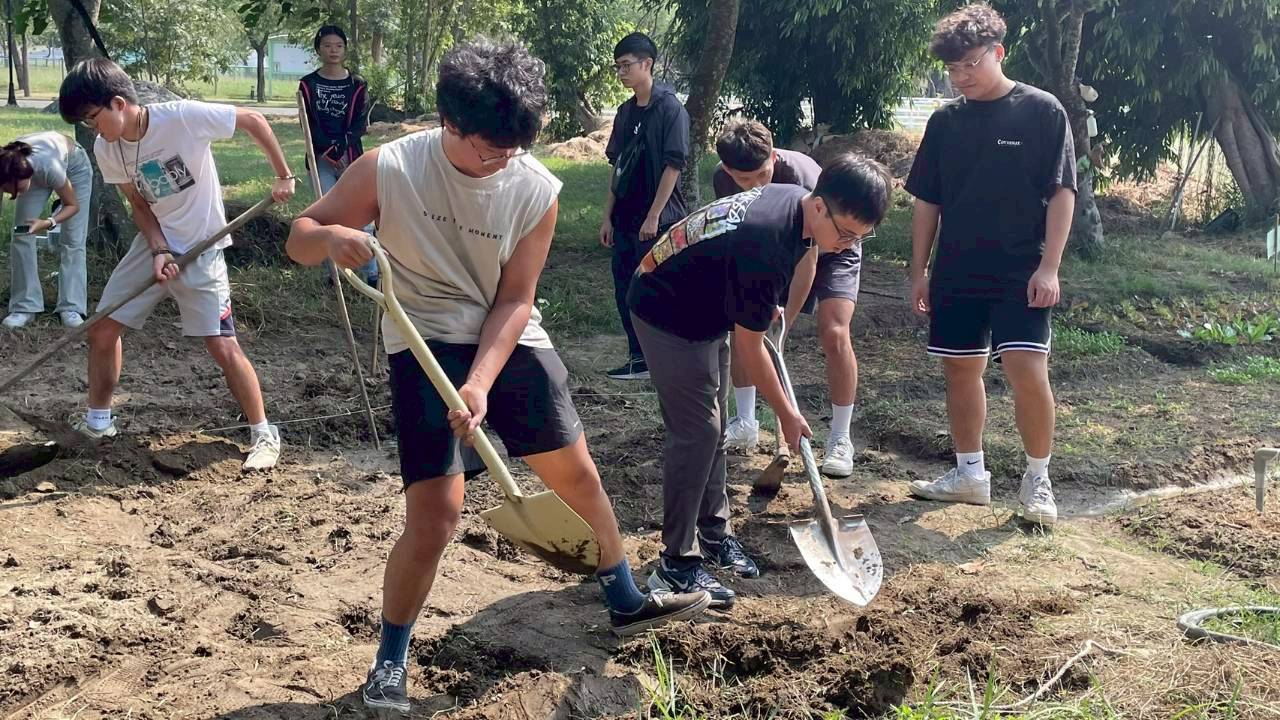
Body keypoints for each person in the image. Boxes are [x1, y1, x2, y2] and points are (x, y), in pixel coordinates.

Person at [285, 37, 711, 715]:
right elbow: (298, 235)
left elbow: (516, 300)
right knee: (437, 514)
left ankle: (624, 595)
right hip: (420, 336)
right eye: (490, 147)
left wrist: (481, 382)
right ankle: (390, 662)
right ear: (449, 123)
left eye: (516, 145)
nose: (504, 159)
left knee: (577, 476)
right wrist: (330, 240)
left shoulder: (534, 187)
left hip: (506, 337)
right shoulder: (390, 168)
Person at [629, 153, 892, 608]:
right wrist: (788, 415)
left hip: (708, 304)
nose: (848, 246)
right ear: (819, 206)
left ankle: (714, 534)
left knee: (711, 430)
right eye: (845, 234)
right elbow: (750, 347)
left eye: (859, 239)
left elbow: (761, 267)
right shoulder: (766, 238)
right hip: (667, 310)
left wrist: (759, 299)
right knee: (699, 432)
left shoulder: (797, 207)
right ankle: (677, 564)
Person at [57, 57, 295, 471]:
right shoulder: (106, 147)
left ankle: (262, 432)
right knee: (103, 328)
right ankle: (99, 422)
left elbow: (253, 120)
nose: (93, 130)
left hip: (203, 247)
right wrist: (158, 249)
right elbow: (137, 203)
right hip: (155, 245)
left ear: (118, 103)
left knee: (221, 344)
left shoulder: (182, 118)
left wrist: (283, 175)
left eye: (94, 119)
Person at [904, 2, 1077, 526]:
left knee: (1027, 370)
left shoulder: (1042, 110)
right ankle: (969, 474)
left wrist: (1050, 267)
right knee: (961, 367)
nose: (961, 77)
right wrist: (919, 269)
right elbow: (927, 200)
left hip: (1020, 270)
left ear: (998, 53)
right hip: (958, 267)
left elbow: (1062, 191)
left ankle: (1037, 479)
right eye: (952, 69)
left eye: (970, 64)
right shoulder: (945, 121)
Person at [712, 119, 865, 477]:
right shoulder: (722, 180)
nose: (755, 186)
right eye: (744, 180)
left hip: (834, 247)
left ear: (774, 155)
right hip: (773, 251)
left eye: (762, 175)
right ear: (728, 170)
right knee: (744, 325)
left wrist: (785, 324)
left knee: (834, 331)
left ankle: (840, 438)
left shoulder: (801, 178)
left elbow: (809, 259)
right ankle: (746, 421)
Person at [599, 32, 689, 380]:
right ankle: (639, 358)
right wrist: (607, 215)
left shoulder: (670, 109)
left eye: (626, 65)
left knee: (657, 286)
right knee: (625, 286)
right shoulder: (624, 112)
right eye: (618, 66)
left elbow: (674, 165)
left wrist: (654, 215)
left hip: (660, 219)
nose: (621, 72)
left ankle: (668, 360)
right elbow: (618, 168)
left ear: (647, 64)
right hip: (625, 218)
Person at [298, 23, 377, 285]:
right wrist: (329, 149)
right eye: (328, 46)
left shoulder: (357, 84)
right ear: (319, 49)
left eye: (339, 46)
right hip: (320, 159)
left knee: (362, 214)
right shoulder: (308, 85)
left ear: (345, 49)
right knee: (327, 215)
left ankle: (372, 273)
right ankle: (334, 274)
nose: (333, 51)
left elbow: (360, 124)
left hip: (352, 159)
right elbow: (306, 122)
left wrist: (342, 147)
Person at [1, 132, 92, 329]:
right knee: (21, 233)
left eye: (16, 191)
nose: (14, 197)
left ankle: (71, 306)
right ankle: (25, 306)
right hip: (29, 170)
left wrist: (49, 222)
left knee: (73, 240)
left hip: (74, 168)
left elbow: (72, 206)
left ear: (26, 176)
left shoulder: (50, 167)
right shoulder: (5, 168)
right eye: (8, 192)